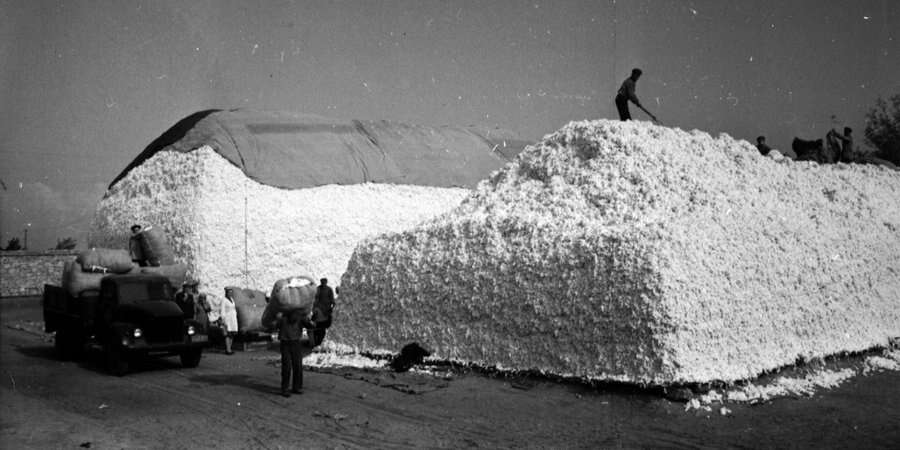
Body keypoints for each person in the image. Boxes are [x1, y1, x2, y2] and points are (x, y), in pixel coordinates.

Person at [277, 308, 313, 397]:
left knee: (288, 366)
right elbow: (309, 325)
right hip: (293, 341)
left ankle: (286, 388)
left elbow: (274, 325)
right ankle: (295, 387)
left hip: (286, 341)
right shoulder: (299, 315)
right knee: (296, 365)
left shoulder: (283, 315)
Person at [208, 288, 239, 354]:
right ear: (226, 293)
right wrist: (223, 319)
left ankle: (230, 348)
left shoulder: (232, 299)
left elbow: (233, 308)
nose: (230, 293)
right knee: (228, 334)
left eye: (231, 292)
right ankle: (228, 350)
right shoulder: (224, 300)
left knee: (232, 334)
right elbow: (222, 310)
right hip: (227, 318)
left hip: (233, 318)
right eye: (229, 292)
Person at [309, 278, 336, 347]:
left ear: (326, 282)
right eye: (322, 282)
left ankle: (319, 341)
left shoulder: (328, 289)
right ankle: (318, 341)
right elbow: (315, 299)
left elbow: (332, 299)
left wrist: (332, 306)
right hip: (320, 310)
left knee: (322, 328)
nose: (323, 283)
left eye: (324, 282)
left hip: (325, 310)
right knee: (319, 328)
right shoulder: (318, 289)